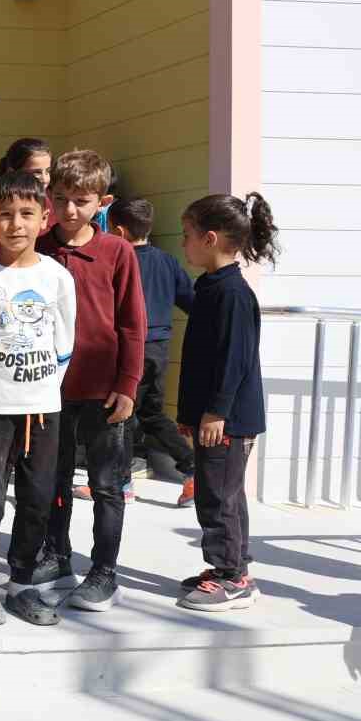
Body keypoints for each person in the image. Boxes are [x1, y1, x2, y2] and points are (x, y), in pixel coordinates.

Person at [0, 171, 76, 627]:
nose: (16, 224)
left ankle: (21, 581)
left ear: (45, 219)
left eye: (26, 214)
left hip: (42, 405)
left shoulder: (57, 277)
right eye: (5, 214)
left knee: (38, 494)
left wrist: (41, 387)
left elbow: (66, 342)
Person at [32, 150, 145, 613]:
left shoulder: (117, 252)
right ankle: (57, 555)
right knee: (50, 478)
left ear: (103, 201)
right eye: (60, 199)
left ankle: (104, 571)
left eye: (81, 200)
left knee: (105, 485)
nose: (69, 210)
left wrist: (129, 384)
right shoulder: (36, 249)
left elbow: (133, 323)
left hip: (104, 391)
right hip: (47, 388)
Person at [176, 193, 276, 612]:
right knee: (223, 493)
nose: (184, 244)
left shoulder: (232, 293)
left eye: (187, 236)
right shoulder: (213, 288)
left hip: (228, 420)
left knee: (218, 496)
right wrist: (188, 415)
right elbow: (202, 359)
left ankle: (231, 576)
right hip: (212, 417)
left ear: (211, 238)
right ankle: (233, 567)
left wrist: (216, 412)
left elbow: (234, 360)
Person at [108, 198, 196, 504]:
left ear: (118, 231)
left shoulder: (118, 260)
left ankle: (120, 484)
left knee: (118, 415)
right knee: (151, 414)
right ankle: (192, 469)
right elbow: (192, 303)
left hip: (128, 350)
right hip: (159, 349)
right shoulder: (168, 262)